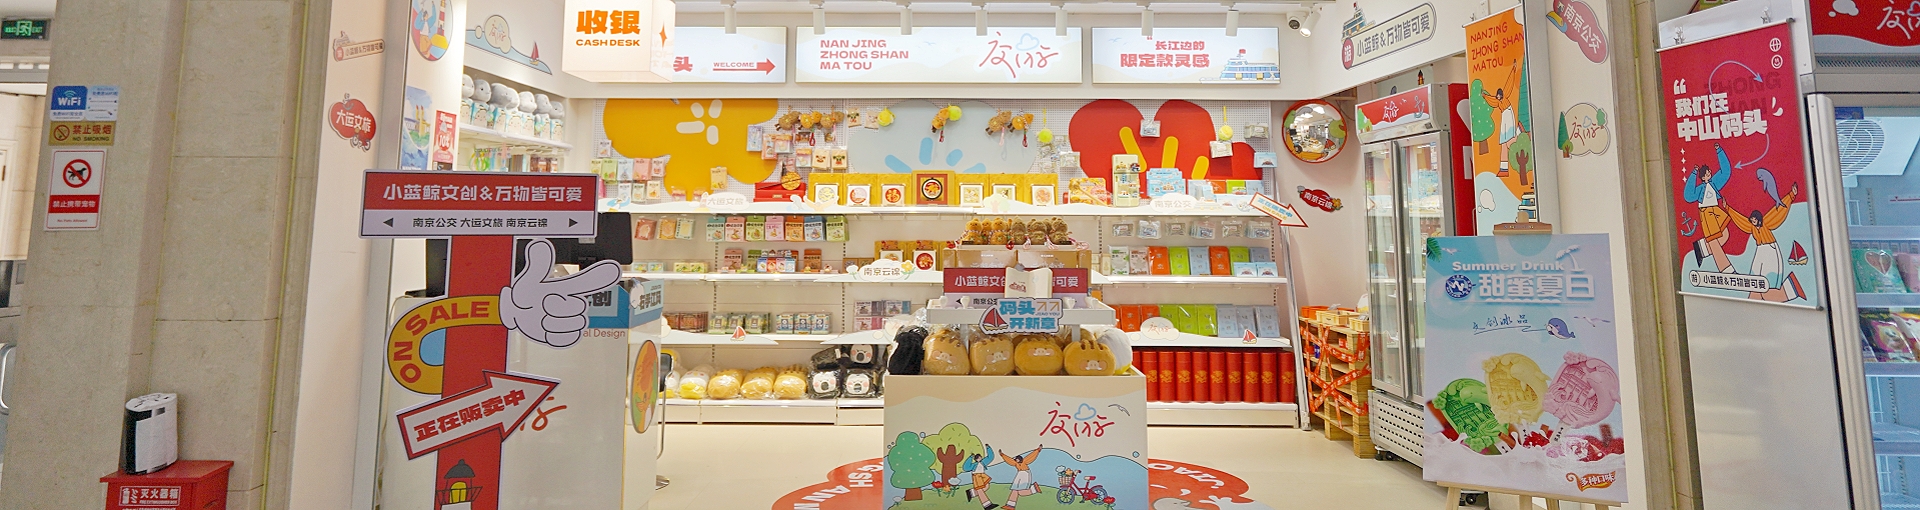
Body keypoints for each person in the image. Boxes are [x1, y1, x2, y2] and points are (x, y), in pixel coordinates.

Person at [1724, 182, 1805, 302]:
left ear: (1758, 219)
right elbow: (1740, 220)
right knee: (1755, 283)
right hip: (1760, 250)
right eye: (1752, 220)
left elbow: (1778, 211)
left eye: (1754, 219)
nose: (1753, 221)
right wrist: (1728, 208)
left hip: (1770, 249)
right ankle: (1789, 289)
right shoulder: (1751, 227)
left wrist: (1791, 195)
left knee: (1767, 284)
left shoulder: (1766, 222)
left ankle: (1792, 288)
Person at [1683, 144, 1735, 271]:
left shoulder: (1714, 183)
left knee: (1725, 234)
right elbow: (1688, 195)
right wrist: (1693, 174)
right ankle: (1726, 269)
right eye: (1707, 174)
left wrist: (1719, 151)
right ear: (1703, 177)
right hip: (1707, 213)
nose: (1709, 174)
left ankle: (1701, 248)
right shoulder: (1700, 189)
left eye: (1709, 172)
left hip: (1716, 210)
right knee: (1714, 240)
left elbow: (1726, 171)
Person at [998, 445, 1044, 509]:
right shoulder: (1015, 463)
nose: (1017, 460)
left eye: (1017, 459)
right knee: (1015, 490)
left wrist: (1038, 450)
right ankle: (1010, 505)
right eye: (1016, 459)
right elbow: (1009, 460)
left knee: (1020, 491)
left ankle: (1034, 489)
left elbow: (1031, 456)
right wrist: (1002, 455)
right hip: (1019, 474)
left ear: (1020, 459)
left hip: (1025, 474)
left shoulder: (1024, 461)